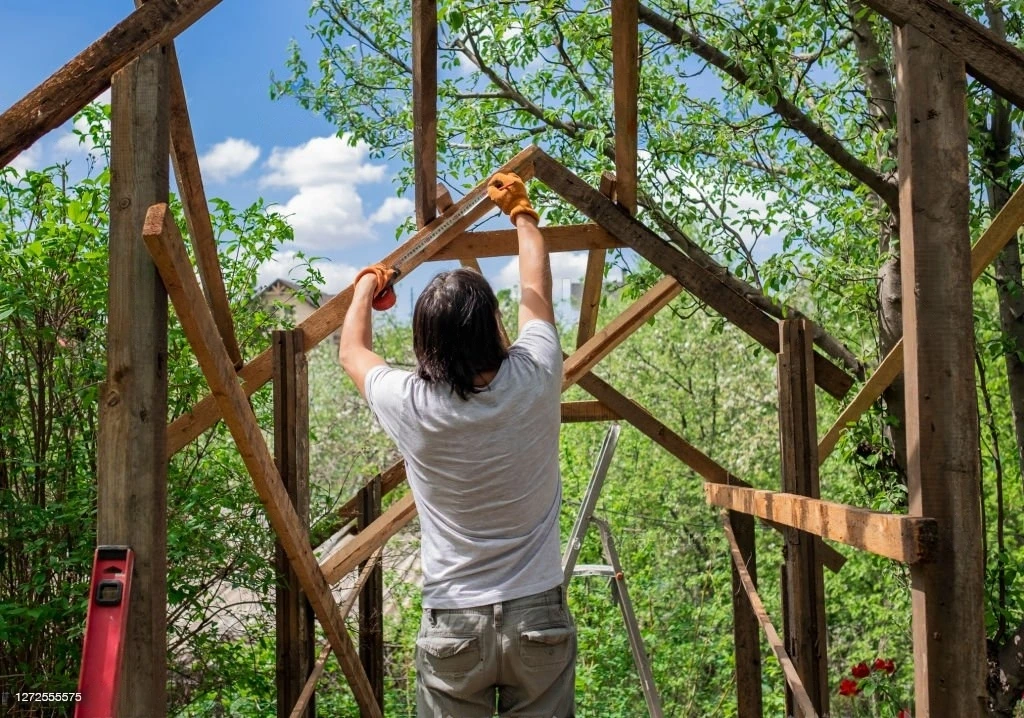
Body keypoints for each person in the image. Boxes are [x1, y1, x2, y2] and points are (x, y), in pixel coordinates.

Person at [339, 172, 576, 717]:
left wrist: (364, 287)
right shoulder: (535, 376)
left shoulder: (413, 403)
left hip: (453, 621)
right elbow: (536, 294)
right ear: (493, 324)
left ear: (425, 342)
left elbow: (352, 352)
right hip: (536, 613)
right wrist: (522, 213)